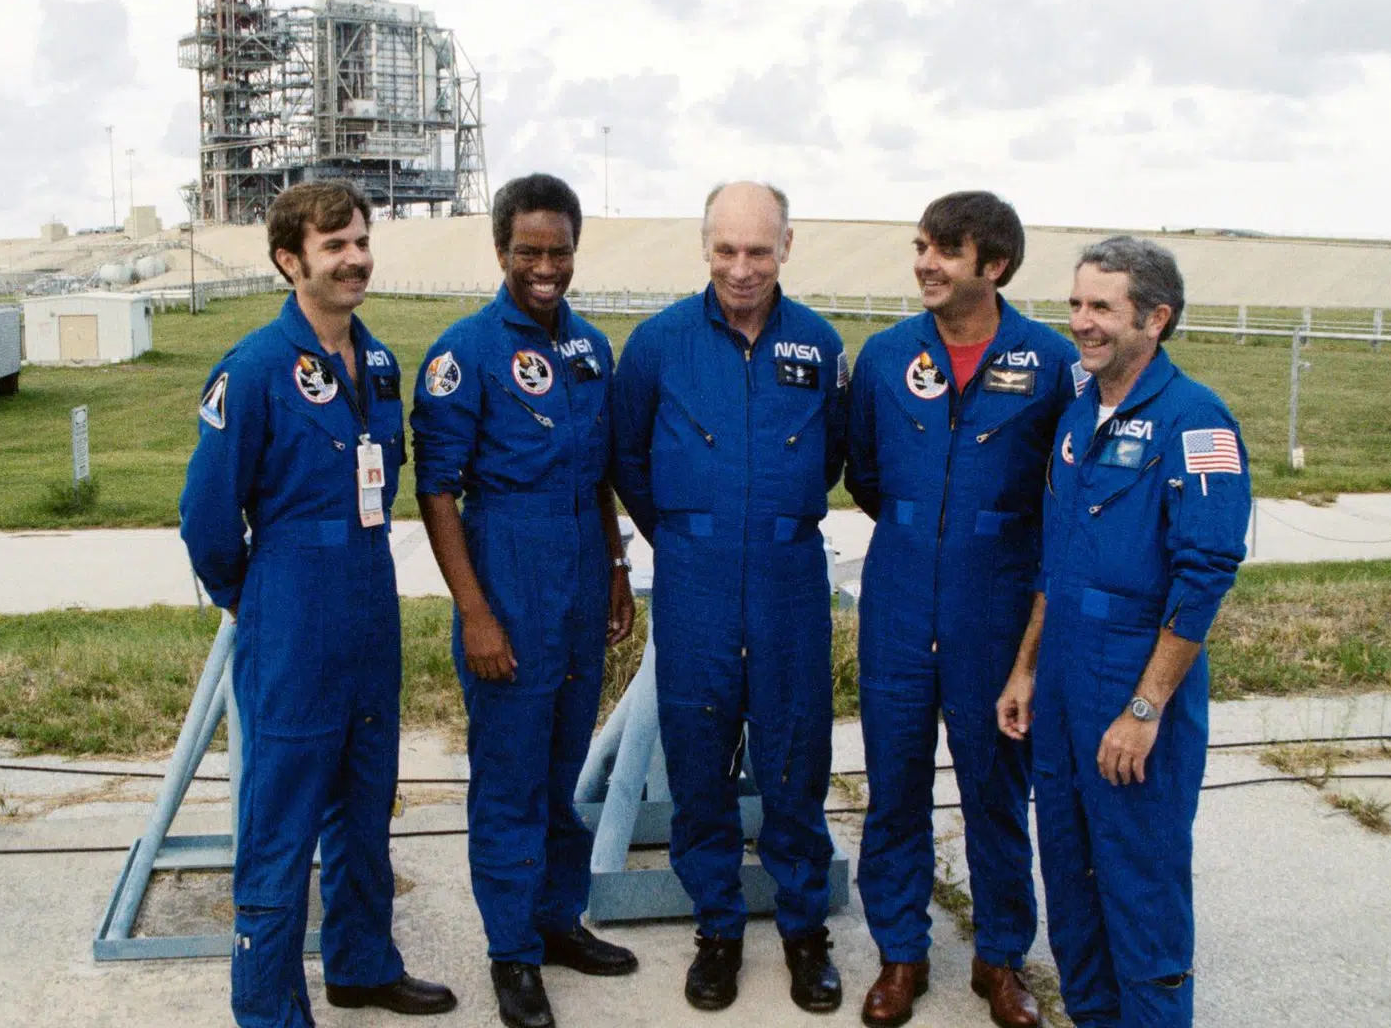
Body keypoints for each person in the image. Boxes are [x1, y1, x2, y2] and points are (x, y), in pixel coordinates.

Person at [180, 180, 458, 1028]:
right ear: (288, 261)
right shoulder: (256, 369)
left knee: (367, 800)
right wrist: (252, 599)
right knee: (282, 818)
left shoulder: (376, 363)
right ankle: (268, 1009)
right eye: (334, 245)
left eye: (361, 241)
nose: (354, 258)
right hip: (293, 607)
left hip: (370, 600)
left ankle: (362, 963)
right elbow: (207, 516)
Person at [996, 236, 1250, 1028]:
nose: (1081, 322)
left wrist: (1144, 711)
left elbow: (1204, 577)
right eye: (1076, 303)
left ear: (1156, 318)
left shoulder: (1196, 421)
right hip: (1064, 676)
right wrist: (1025, 670)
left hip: (1133, 677)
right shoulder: (1078, 412)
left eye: (1102, 307)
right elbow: (1054, 562)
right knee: (1068, 876)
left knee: (1139, 882)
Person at [610, 181, 849, 1015]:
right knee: (700, 755)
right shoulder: (658, 344)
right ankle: (717, 927)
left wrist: (767, 519)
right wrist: (685, 531)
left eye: (757, 250)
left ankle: (803, 930)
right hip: (695, 577)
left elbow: (830, 459)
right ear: (704, 246)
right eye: (725, 250)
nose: (741, 269)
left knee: (794, 758)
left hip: (787, 578)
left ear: (788, 246)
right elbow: (628, 455)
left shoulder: (819, 345)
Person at [411, 173, 639, 1028]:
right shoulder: (463, 352)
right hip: (506, 565)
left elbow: (602, 473)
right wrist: (475, 612)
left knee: (561, 770)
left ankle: (554, 922)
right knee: (508, 779)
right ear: (501, 249)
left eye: (559, 250)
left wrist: (616, 569)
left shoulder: (588, 349)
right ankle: (511, 953)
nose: (545, 267)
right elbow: (436, 491)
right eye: (528, 251)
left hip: (581, 567)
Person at [844, 192, 1077, 1028]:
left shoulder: (1050, 363)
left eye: (946, 250)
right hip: (901, 600)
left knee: (995, 792)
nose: (926, 263)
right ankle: (901, 954)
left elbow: (1065, 497)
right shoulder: (883, 357)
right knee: (896, 787)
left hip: (998, 610)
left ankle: (1001, 957)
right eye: (920, 246)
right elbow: (865, 475)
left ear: (996, 266)